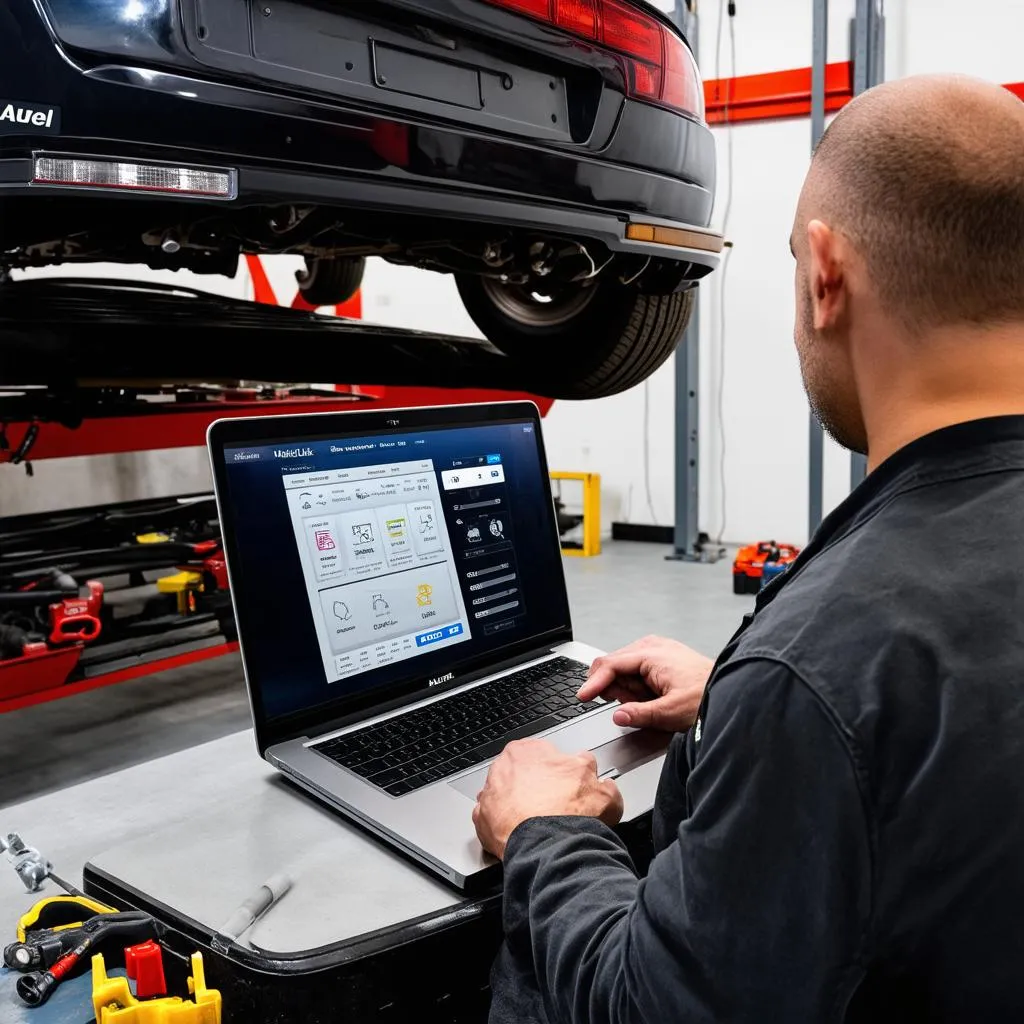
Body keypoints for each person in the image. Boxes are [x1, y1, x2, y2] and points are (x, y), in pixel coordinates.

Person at [472, 74, 1024, 1022]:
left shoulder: (828, 659)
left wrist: (550, 834)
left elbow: (652, 1006)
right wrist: (743, 696)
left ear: (825, 273)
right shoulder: (824, 666)